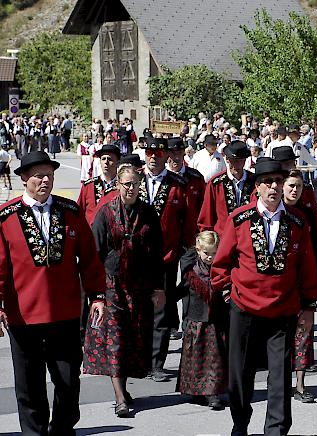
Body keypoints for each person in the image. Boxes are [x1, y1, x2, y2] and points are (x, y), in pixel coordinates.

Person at [211, 159, 317, 436]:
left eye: (278, 182)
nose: (274, 187)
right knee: (240, 374)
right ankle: (240, 423)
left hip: (283, 312)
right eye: (268, 182)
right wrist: (228, 295)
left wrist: (309, 305)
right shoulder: (239, 219)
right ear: (257, 186)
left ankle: (276, 429)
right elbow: (221, 264)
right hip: (244, 309)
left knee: (280, 376)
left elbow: (307, 268)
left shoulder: (296, 222)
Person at [0, 151, 106, 435]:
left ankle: (61, 428)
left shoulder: (70, 211)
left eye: (49, 174)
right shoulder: (6, 217)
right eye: (38, 175)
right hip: (23, 315)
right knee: (29, 384)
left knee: (69, 381)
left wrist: (97, 296)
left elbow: (89, 258)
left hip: (65, 312)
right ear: (23, 178)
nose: (45, 180)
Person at [83, 163, 165, 417]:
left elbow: (157, 253)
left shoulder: (148, 213)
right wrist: (96, 295)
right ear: (118, 185)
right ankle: (119, 397)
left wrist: (159, 287)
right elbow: (93, 254)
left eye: (135, 184)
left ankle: (124, 387)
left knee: (133, 340)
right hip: (112, 286)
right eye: (126, 184)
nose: (131, 188)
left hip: (139, 287)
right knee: (115, 339)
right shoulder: (106, 213)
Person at [139, 137, 196, 382]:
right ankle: (138, 361)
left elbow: (188, 220)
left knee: (161, 312)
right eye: (150, 152)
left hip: (165, 258)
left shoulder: (177, 184)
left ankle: (157, 364)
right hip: (135, 260)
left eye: (158, 153)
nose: (154, 157)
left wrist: (183, 249)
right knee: (138, 312)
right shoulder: (134, 181)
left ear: (166, 156)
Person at [282, 170, 317, 403]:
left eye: (298, 186)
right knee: (281, 336)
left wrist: (316, 280)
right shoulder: (275, 211)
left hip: (304, 280)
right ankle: (281, 383)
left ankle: (300, 384)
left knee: (304, 334)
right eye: (290, 186)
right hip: (281, 282)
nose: (294, 190)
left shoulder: (307, 212)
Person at [176, 231, 229, 410]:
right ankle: (196, 391)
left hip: (216, 321)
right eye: (207, 253)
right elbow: (179, 291)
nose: (210, 257)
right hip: (196, 321)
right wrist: (161, 300)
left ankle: (213, 393)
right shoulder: (191, 273)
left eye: (214, 253)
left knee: (214, 359)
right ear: (198, 250)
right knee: (196, 358)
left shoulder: (222, 271)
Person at [197, 140, 255, 236]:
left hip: (248, 239)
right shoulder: (215, 183)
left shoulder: (254, 181)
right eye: (234, 161)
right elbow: (207, 215)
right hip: (223, 238)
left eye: (241, 160)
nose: (237, 165)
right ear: (227, 159)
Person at [77, 143, 121, 226]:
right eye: (103, 159)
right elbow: (79, 212)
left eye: (110, 159)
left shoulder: (123, 186)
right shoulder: (88, 186)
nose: (106, 162)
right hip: (91, 235)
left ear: (117, 162)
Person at [167, 137, 205, 215]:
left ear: (184, 153)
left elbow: (203, 205)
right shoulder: (161, 177)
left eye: (179, 153)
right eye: (173, 153)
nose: (176, 157)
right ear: (166, 154)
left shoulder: (196, 177)